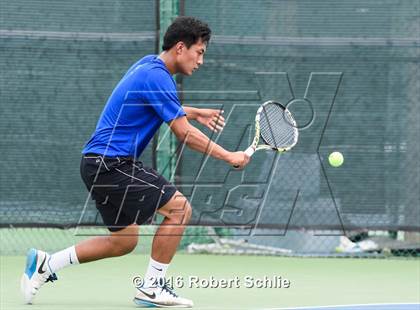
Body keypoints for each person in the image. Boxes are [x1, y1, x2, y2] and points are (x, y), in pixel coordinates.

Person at [20, 16, 250, 308]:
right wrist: (229, 155)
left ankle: (46, 264)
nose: (201, 61)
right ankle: (152, 289)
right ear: (181, 47)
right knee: (180, 210)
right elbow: (184, 135)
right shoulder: (158, 76)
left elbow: (154, 103)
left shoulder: (149, 65)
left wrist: (191, 111)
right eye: (200, 52)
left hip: (95, 162)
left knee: (123, 241)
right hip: (112, 163)